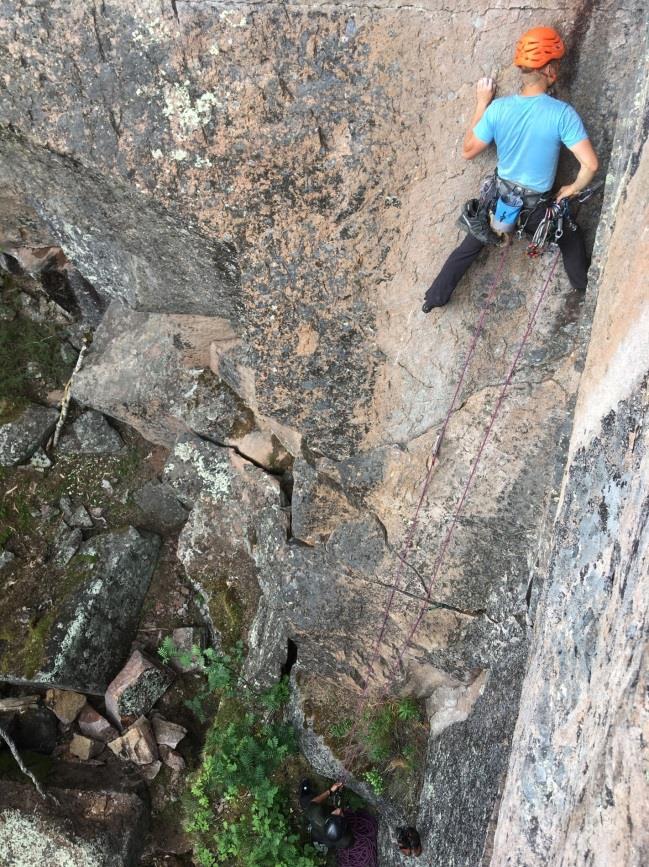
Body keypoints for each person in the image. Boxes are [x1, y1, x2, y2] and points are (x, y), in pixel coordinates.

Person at [422, 26, 599, 312]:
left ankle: (434, 298)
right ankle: (587, 291)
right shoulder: (562, 114)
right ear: (550, 70)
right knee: (571, 239)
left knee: (471, 244)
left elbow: (468, 151)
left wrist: (482, 103)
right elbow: (590, 164)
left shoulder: (498, 109)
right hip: (536, 212)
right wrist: (572, 189)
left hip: (498, 202)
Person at [299, 778, 354, 850]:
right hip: (321, 838)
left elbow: (314, 802)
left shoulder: (316, 814)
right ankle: (306, 790)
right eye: (340, 815)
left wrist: (330, 791)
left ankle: (305, 789)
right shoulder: (345, 841)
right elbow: (314, 802)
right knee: (307, 804)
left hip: (319, 837)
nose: (339, 810)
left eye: (337, 814)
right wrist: (330, 792)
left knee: (306, 802)